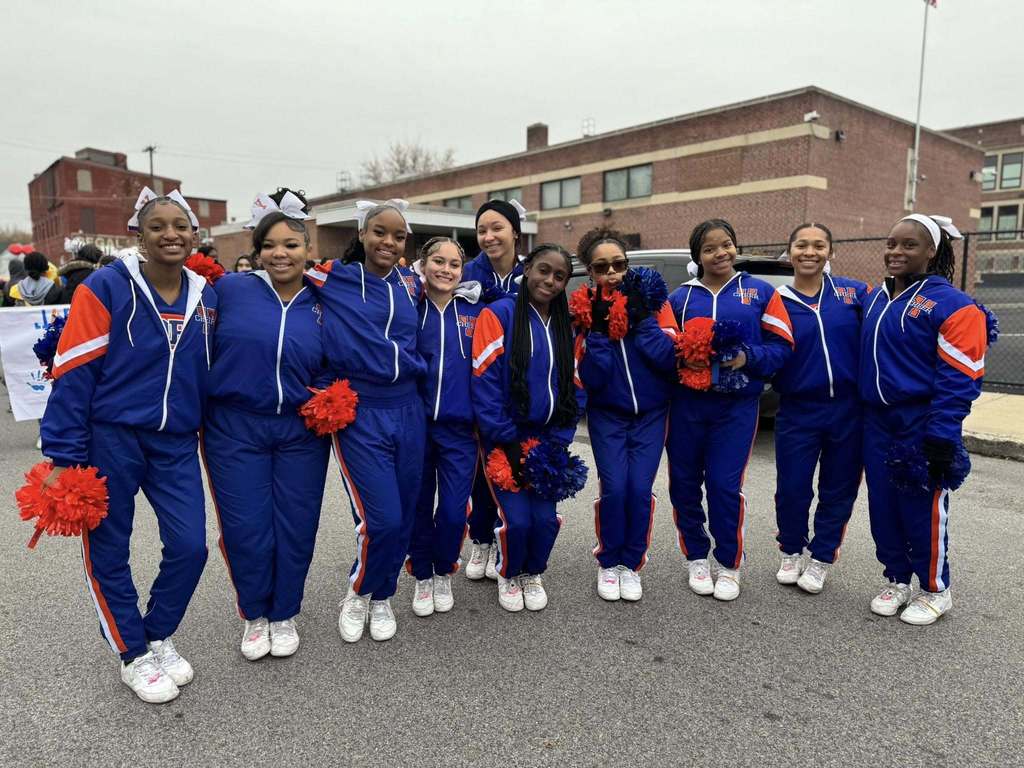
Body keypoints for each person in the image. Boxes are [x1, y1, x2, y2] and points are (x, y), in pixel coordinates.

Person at [39, 187, 217, 703]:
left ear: (194, 235)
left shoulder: (207, 293)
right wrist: (66, 455)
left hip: (176, 440)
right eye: (158, 225)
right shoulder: (106, 286)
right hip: (110, 439)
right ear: (138, 233)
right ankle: (131, 652)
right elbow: (74, 371)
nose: (171, 234)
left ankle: (157, 632)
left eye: (180, 226)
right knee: (109, 550)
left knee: (190, 546)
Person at [201, 189, 331, 660]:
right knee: (246, 527)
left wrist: (327, 393)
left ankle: (285, 612)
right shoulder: (229, 291)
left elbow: (340, 358)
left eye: (291, 244)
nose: (281, 253)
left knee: (296, 524)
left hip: (302, 431)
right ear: (257, 252)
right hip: (234, 428)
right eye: (270, 245)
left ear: (307, 250)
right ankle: (256, 614)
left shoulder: (324, 297)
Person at [859, 214, 989, 625]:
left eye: (909, 245)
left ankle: (935, 589)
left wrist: (942, 431)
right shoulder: (875, 297)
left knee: (922, 509)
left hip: (919, 422)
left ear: (932, 251)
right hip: (875, 420)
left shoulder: (954, 305)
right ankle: (897, 578)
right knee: (882, 506)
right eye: (892, 243)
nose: (896, 252)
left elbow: (961, 376)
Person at [306, 199, 426, 643]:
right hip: (361, 411)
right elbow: (278, 271)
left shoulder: (412, 283)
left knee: (406, 513)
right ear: (362, 233)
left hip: (409, 408)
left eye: (397, 236)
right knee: (381, 519)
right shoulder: (332, 275)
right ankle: (359, 591)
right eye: (379, 231)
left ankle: (383, 596)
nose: (388, 242)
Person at [666, 219, 793, 601]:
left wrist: (747, 357)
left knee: (724, 485)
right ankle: (696, 556)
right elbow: (663, 351)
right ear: (697, 256)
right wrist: (681, 361)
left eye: (727, 245)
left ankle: (728, 563)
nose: (720, 253)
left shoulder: (758, 293)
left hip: (737, 407)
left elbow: (783, 346)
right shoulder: (681, 298)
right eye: (710, 248)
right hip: (686, 406)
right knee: (685, 486)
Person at [471, 243, 585, 612]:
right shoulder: (499, 314)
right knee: (516, 520)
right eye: (543, 270)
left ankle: (532, 572)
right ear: (527, 269)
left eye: (559, 276)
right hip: (506, 438)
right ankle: (508, 572)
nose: (549, 281)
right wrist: (504, 437)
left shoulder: (564, 325)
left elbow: (575, 385)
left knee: (545, 519)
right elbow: (484, 382)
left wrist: (560, 438)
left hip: (548, 439)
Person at [574, 227, 678, 602]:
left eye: (618, 264)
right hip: (608, 416)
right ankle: (609, 562)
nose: (612, 273)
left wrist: (642, 322)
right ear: (590, 271)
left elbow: (670, 361)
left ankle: (631, 564)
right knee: (615, 488)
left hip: (651, 414)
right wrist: (600, 332)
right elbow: (592, 379)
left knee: (638, 489)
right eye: (602, 267)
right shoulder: (584, 310)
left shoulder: (653, 300)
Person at [771, 223, 869, 594]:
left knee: (838, 488)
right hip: (798, 409)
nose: (809, 252)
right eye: (801, 245)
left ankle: (822, 557)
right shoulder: (775, 299)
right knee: (793, 487)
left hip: (849, 409)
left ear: (830, 252)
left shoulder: (855, 292)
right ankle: (791, 550)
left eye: (818, 245)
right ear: (790, 252)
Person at [407, 237, 484, 617]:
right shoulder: (408, 305)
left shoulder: (475, 310)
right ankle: (422, 574)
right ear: (424, 263)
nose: (446, 270)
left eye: (454, 265)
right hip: (415, 427)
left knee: (454, 511)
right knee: (419, 506)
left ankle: (443, 570)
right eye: (439, 261)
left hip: (459, 430)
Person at [462, 199, 527, 582]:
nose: (489, 237)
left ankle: (511, 539)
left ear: (515, 232)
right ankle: (482, 539)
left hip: (521, 391)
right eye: (482, 230)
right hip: (477, 386)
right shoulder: (466, 272)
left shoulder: (533, 274)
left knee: (516, 466)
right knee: (478, 474)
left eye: (497, 228)